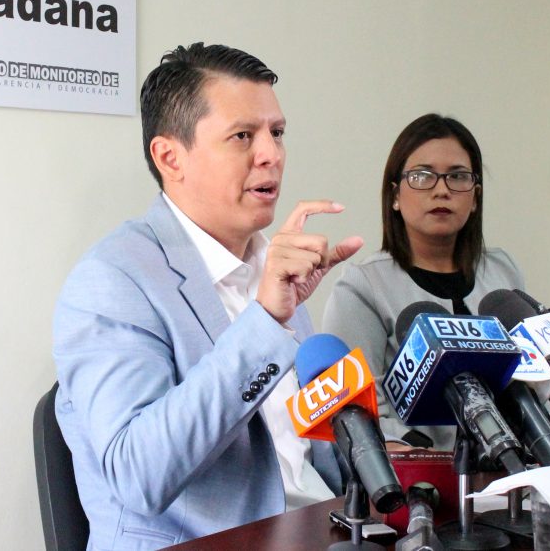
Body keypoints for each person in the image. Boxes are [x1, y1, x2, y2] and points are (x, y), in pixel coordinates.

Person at [52, 43, 364, 549]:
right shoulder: (112, 280)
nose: (271, 154)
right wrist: (266, 321)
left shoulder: (272, 264)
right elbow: (138, 474)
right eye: (243, 136)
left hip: (317, 532)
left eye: (277, 133)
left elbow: (307, 456)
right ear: (170, 157)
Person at [322, 114, 525, 451]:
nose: (442, 190)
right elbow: (357, 415)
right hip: (416, 473)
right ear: (395, 196)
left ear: (475, 197)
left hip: (512, 466)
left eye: (457, 177)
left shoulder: (503, 272)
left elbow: (530, 378)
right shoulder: (364, 287)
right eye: (422, 176)